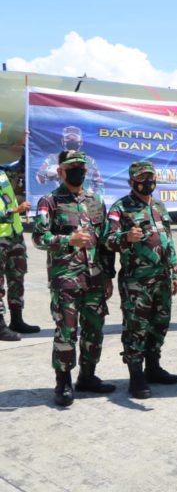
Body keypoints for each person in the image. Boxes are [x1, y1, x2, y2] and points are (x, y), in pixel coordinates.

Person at [32, 150, 116, 407]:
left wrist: (109, 275)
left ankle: (87, 377)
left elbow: (103, 242)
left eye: (81, 167)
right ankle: (63, 382)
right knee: (66, 332)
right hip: (66, 278)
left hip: (94, 278)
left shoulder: (95, 201)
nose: (78, 171)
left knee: (94, 329)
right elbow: (38, 238)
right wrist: (67, 240)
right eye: (72, 167)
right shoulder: (50, 201)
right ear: (60, 171)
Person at [105, 161, 177, 399]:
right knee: (136, 328)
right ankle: (136, 375)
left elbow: (167, 239)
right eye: (141, 178)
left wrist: (174, 271)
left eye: (150, 177)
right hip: (136, 281)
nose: (147, 181)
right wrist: (126, 237)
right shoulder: (121, 207)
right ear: (131, 182)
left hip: (162, 278)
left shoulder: (159, 205)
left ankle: (153, 367)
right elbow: (108, 240)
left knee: (159, 325)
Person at [0, 167, 37, 341]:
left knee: (17, 279)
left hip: (14, 234)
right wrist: (14, 211)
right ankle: (0, 326)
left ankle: (17, 319)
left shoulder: (1, 173)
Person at [36, 126, 104, 195]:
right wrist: (49, 173)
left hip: (85, 200)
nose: (71, 140)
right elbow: (40, 179)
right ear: (63, 141)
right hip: (62, 199)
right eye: (68, 138)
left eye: (75, 138)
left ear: (81, 141)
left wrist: (94, 198)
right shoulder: (53, 158)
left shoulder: (89, 161)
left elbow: (99, 184)